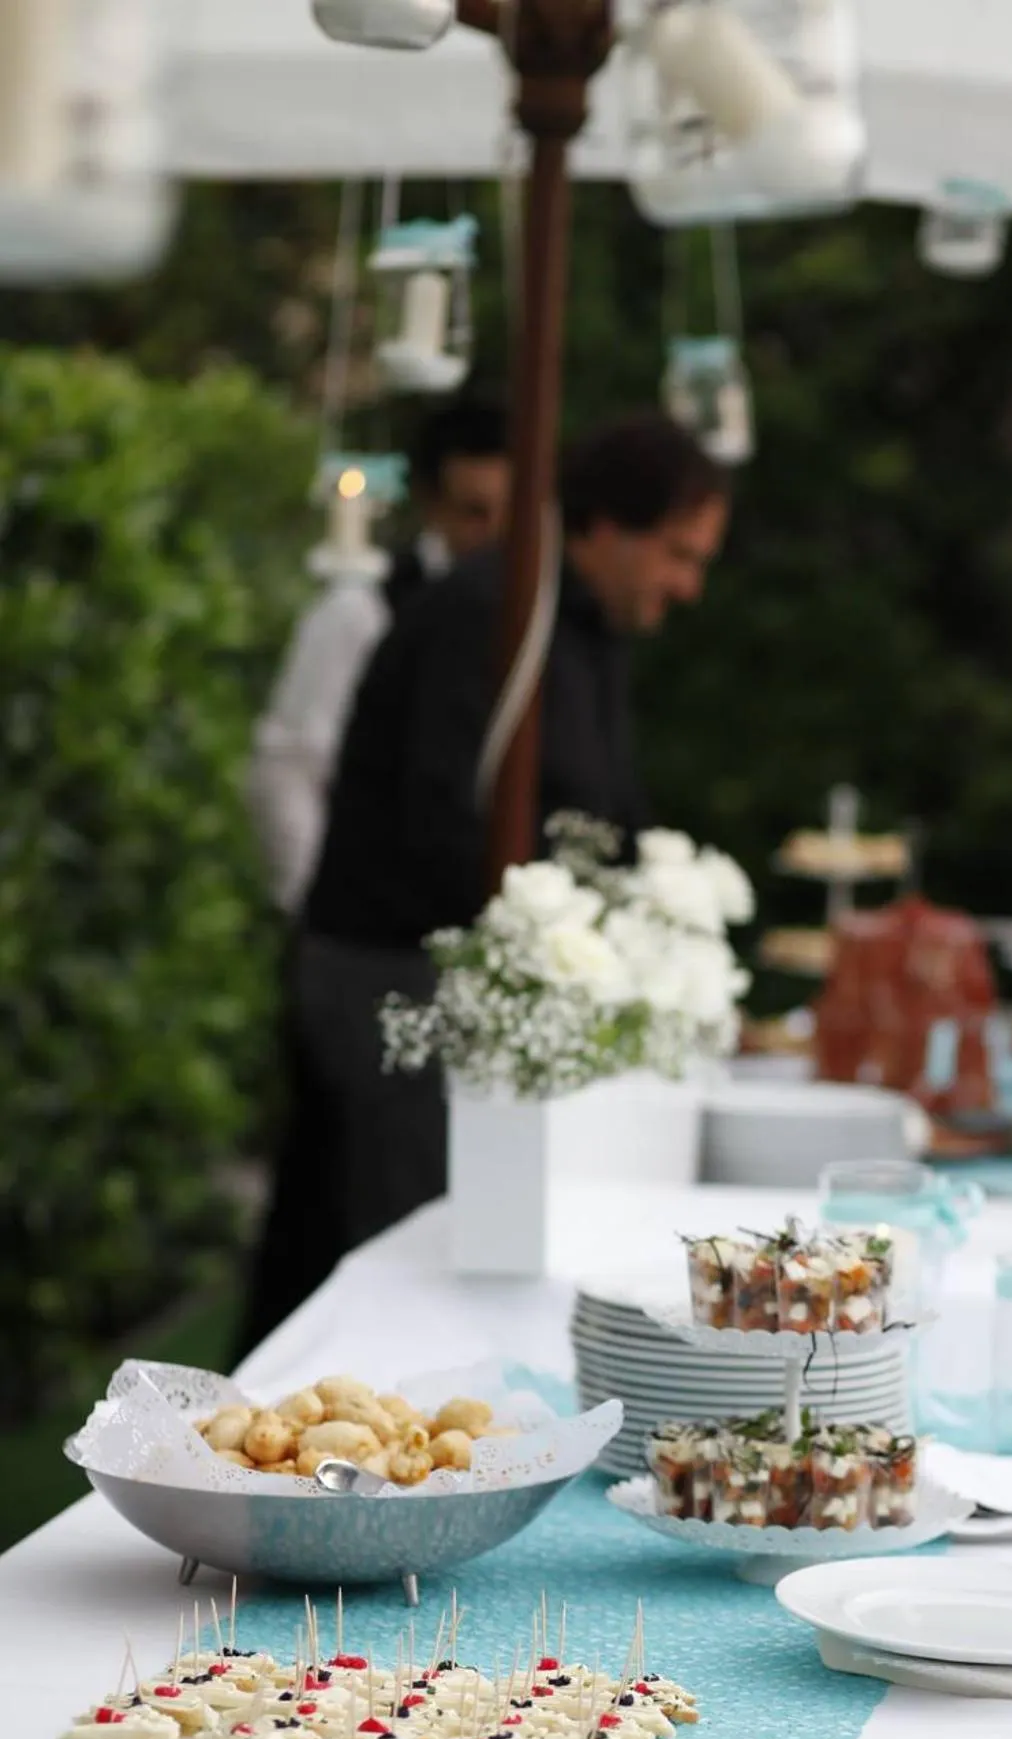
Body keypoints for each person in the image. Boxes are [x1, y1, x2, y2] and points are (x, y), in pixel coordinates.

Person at [239, 412, 730, 1347]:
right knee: (414, 1253)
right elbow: (442, 823)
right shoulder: (490, 612)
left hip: (475, 985)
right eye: (676, 554)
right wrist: (559, 960)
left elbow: (609, 813)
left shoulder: (578, 627)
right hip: (400, 979)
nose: (686, 586)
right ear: (604, 530)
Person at [247, 393, 512, 916]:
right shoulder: (363, 610)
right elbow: (287, 767)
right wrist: (322, 902)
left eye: (513, 515)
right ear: (432, 505)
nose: (496, 537)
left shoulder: (538, 619)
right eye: (476, 513)